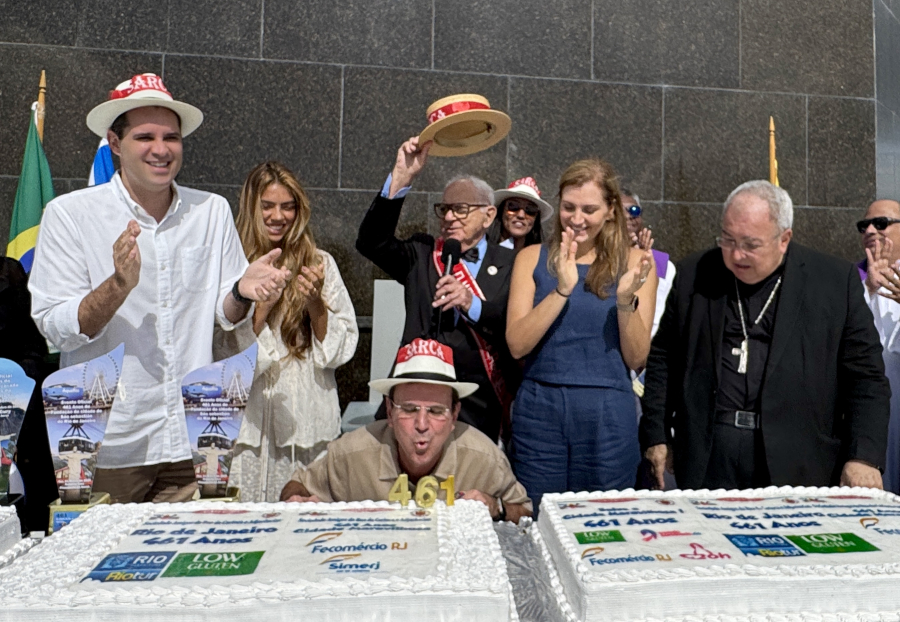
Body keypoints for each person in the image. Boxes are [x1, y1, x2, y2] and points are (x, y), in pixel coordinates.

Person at [29, 73, 291, 504]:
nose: (161, 148)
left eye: (171, 136)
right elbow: (55, 328)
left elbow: (224, 314)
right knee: (103, 567)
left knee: (191, 567)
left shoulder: (211, 210)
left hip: (197, 436)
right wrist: (118, 286)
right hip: (108, 442)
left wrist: (243, 291)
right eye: (145, 136)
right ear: (115, 143)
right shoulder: (70, 215)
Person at [641, 180, 890, 491]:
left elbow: (866, 378)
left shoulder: (834, 282)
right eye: (727, 239)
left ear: (784, 239)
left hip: (797, 461)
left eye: (750, 244)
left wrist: (863, 457)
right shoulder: (696, 273)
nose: (736, 255)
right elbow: (664, 359)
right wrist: (657, 435)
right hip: (709, 456)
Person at [505, 158, 657, 512]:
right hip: (540, 409)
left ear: (610, 211)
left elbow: (636, 357)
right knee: (538, 518)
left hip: (608, 412)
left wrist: (624, 300)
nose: (577, 219)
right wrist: (561, 290)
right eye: (569, 207)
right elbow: (516, 344)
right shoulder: (531, 258)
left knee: (604, 522)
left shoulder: (637, 262)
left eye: (589, 209)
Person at [355, 137, 516, 443]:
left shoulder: (513, 262)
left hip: (477, 407)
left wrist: (472, 303)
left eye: (462, 209)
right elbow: (370, 242)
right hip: (414, 400)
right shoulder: (422, 252)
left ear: (489, 215)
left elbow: (514, 323)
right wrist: (402, 177)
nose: (450, 217)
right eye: (445, 209)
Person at [216, 161, 358, 502]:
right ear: (252, 207)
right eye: (267, 205)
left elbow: (342, 347)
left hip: (304, 424)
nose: (278, 216)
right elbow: (223, 356)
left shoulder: (320, 262)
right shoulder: (230, 265)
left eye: (288, 206)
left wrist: (315, 304)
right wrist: (261, 309)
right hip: (246, 431)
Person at [280, 338, 532, 523]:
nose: (422, 425)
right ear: (389, 411)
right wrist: (296, 501)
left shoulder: (485, 458)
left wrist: (496, 506)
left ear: (455, 414)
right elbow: (297, 485)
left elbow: (525, 513)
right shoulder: (350, 454)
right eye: (409, 409)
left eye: (436, 411)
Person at [857, 199, 900, 494]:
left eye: (881, 223)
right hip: (870, 410)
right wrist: (868, 291)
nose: (871, 229)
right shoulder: (850, 282)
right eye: (864, 225)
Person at [621, 189, 675, 338]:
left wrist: (645, 264)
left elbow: (659, 313)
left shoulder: (662, 262)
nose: (628, 216)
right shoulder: (595, 258)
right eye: (619, 211)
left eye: (634, 210)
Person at [487, 177, 553, 251]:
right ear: (502, 210)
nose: (521, 215)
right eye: (513, 206)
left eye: (530, 210)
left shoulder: (542, 258)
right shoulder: (480, 251)